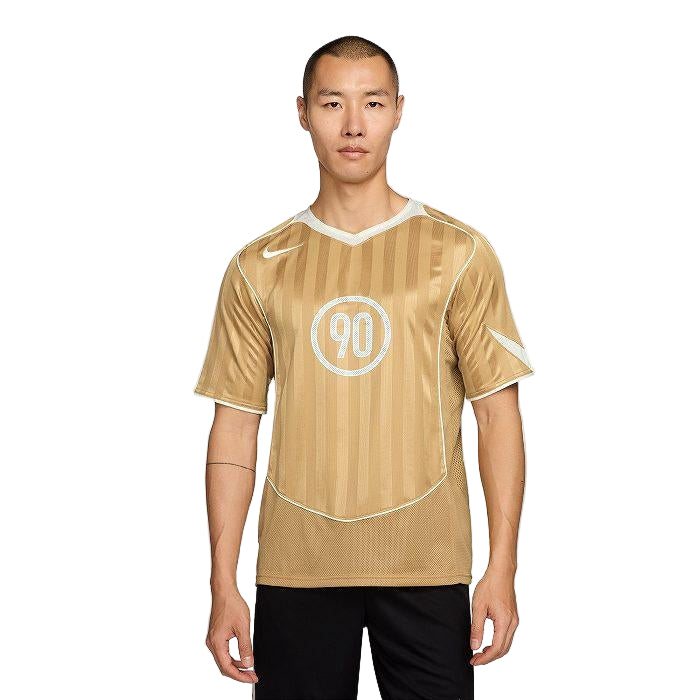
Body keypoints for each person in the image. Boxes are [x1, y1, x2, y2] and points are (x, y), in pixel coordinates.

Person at [194, 35, 534, 700]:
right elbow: (234, 425)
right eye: (333, 103)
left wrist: (502, 567)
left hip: (428, 565)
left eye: (373, 103)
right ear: (303, 113)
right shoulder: (258, 266)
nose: (354, 124)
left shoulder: (458, 253)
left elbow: (498, 415)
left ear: (399, 110)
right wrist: (221, 581)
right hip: (296, 568)